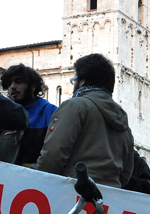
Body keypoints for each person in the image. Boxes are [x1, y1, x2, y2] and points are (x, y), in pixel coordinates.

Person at [34, 54, 134, 188]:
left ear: (82, 82)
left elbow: (53, 154)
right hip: (110, 194)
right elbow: (127, 170)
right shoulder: (122, 119)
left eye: (74, 80)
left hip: (74, 190)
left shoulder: (75, 106)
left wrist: (38, 181)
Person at [0, 64, 57, 166]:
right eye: (9, 83)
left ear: (33, 86)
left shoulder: (50, 111)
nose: (12, 87)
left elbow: (56, 151)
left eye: (18, 81)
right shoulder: (2, 113)